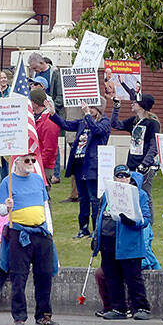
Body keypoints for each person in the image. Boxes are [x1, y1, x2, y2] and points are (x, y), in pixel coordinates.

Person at [0, 153, 59, 325]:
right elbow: (0, 210)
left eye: (33, 160)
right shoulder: (7, 182)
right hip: (20, 234)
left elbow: (45, 205)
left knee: (44, 275)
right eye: (27, 160)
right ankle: (19, 317)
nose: (31, 163)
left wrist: (49, 231)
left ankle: (44, 316)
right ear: (17, 162)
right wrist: (6, 206)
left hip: (41, 232)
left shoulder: (38, 180)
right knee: (18, 275)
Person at [93, 166, 152, 321]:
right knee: (112, 276)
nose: (122, 179)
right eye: (119, 176)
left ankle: (141, 307)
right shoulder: (107, 194)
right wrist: (96, 237)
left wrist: (133, 221)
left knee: (133, 277)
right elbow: (100, 215)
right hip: (108, 240)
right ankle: (118, 308)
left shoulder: (139, 195)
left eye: (125, 176)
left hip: (129, 242)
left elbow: (146, 219)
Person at [50, 102, 111, 239]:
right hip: (79, 165)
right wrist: (53, 113)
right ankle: (83, 228)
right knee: (83, 199)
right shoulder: (83, 121)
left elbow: (97, 131)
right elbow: (67, 125)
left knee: (94, 199)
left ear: (99, 109)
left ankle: (96, 230)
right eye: (89, 107)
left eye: (93, 107)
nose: (89, 109)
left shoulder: (105, 122)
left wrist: (88, 115)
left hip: (92, 165)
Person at [111, 92, 160, 197]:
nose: (132, 104)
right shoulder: (134, 121)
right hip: (132, 163)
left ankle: (147, 214)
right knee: (131, 194)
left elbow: (154, 145)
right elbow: (115, 124)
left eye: (135, 102)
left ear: (142, 106)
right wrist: (116, 107)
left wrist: (145, 163)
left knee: (145, 194)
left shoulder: (152, 123)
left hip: (144, 166)